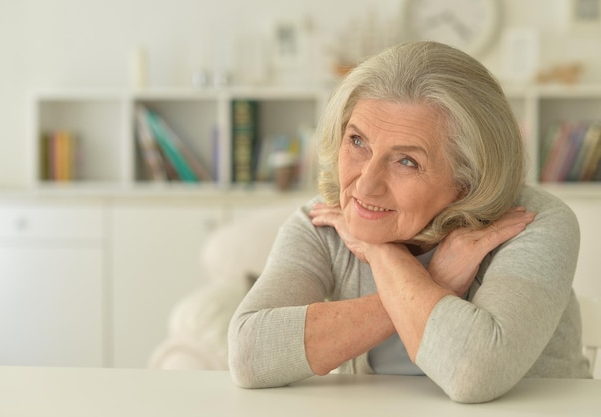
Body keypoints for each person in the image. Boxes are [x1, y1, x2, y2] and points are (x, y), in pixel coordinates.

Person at [228, 41, 591, 403]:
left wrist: (382, 255)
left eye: (406, 161)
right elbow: (249, 354)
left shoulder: (533, 224)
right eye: (357, 141)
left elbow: (474, 372)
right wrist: (432, 280)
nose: (366, 185)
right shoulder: (324, 222)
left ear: (468, 180)